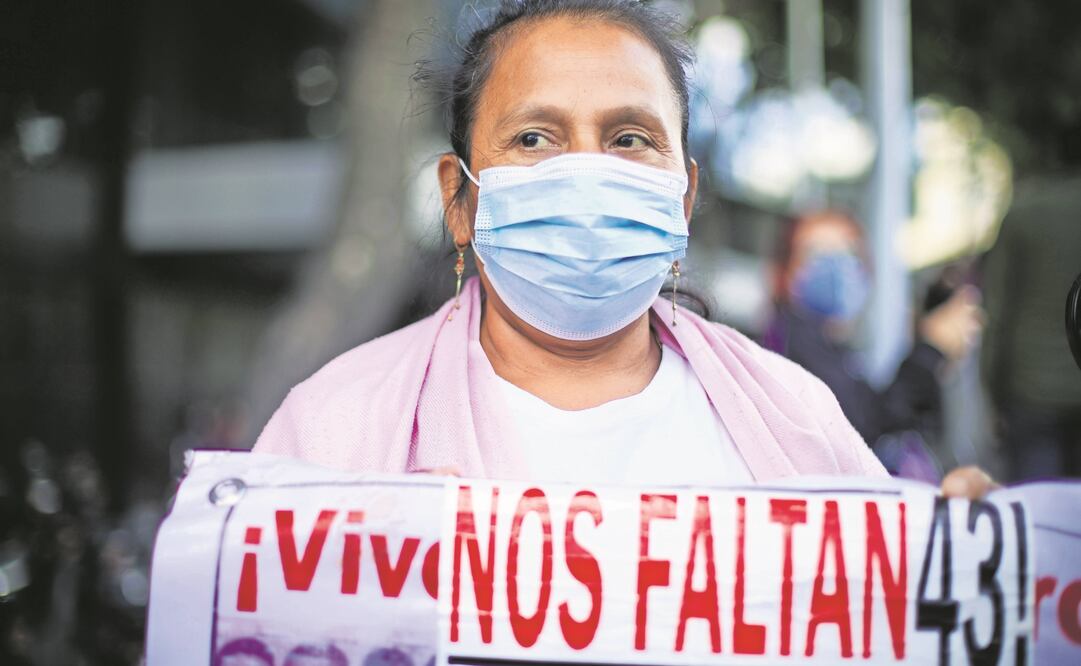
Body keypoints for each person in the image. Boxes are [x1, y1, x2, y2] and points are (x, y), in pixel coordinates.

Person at [253, 0, 992, 499]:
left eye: (629, 138)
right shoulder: (329, 430)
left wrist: (951, 554)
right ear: (460, 199)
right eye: (534, 137)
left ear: (683, 195)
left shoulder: (793, 418)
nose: (585, 172)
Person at [764, 210, 984, 477]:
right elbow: (863, 428)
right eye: (816, 254)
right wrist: (930, 350)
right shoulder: (792, 343)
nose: (836, 267)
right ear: (785, 272)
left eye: (848, 254)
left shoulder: (831, 348)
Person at [982, 174, 1081, 480]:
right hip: (1040, 391)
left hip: (1030, 389)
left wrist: (992, 392)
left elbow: (997, 311)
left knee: (1037, 514)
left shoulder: (1024, 214)